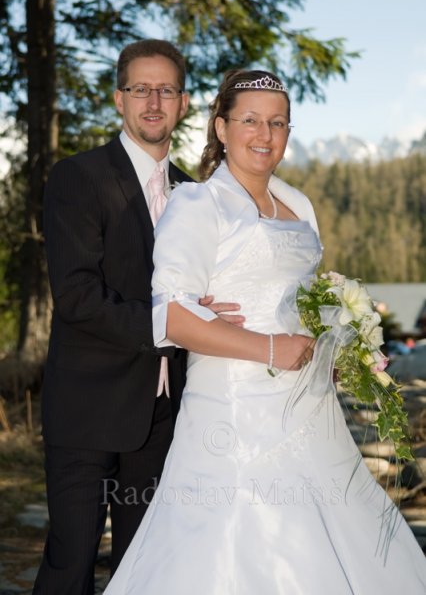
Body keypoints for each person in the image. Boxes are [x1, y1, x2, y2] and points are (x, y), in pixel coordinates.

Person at [104, 69, 426, 594]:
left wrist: (337, 345)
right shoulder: (197, 204)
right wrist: (270, 347)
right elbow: (174, 318)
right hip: (231, 412)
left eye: (278, 123)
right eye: (250, 120)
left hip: (311, 409)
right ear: (221, 128)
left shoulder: (299, 205)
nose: (265, 134)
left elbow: (304, 302)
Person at [33, 39, 241, 594]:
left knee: (143, 571)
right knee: (70, 565)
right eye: (140, 89)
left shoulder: (196, 194)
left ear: (184, 103)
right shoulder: (78, 177)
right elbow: (77, 296)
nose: (153, 102)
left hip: (165, 415)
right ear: (118, 99)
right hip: (87, 409)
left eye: (165, 90)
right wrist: (174, 321)